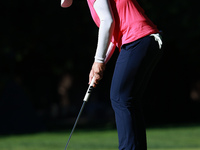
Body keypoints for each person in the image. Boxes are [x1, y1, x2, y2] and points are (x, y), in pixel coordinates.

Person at [61, 0, 163, 149]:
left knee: (120, 98)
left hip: (137, 39)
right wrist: (98, 65)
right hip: (146, 40)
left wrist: (99, 61)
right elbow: (113, 37)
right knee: (129, 101)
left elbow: (107, 22)